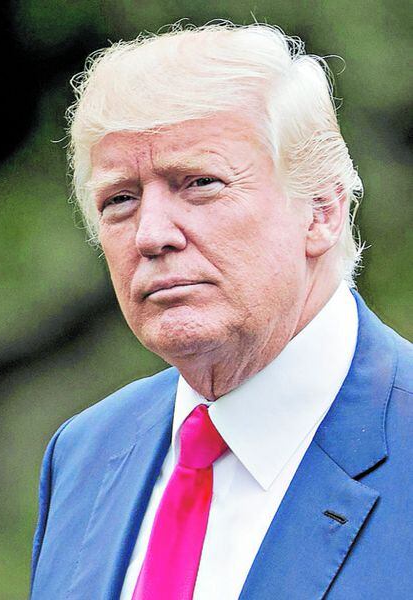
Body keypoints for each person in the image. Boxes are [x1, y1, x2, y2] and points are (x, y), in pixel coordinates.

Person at [29, 22, 413, 600]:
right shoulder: (84, 454)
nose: (152, 234)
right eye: (121, 200)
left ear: (322, 211)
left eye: (200, 183)